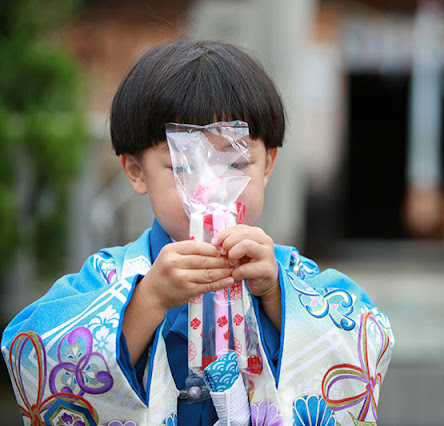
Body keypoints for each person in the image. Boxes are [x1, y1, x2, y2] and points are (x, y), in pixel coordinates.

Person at [2, 40, 393, 425]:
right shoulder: (107, 277)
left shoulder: (288, 274)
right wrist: (149, 299)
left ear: (268, 164)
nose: (212, 189)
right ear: (136, 171)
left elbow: (366, 338)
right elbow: (33, 350)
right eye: (184, 167)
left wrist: (276, 294)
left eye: (236, 163)